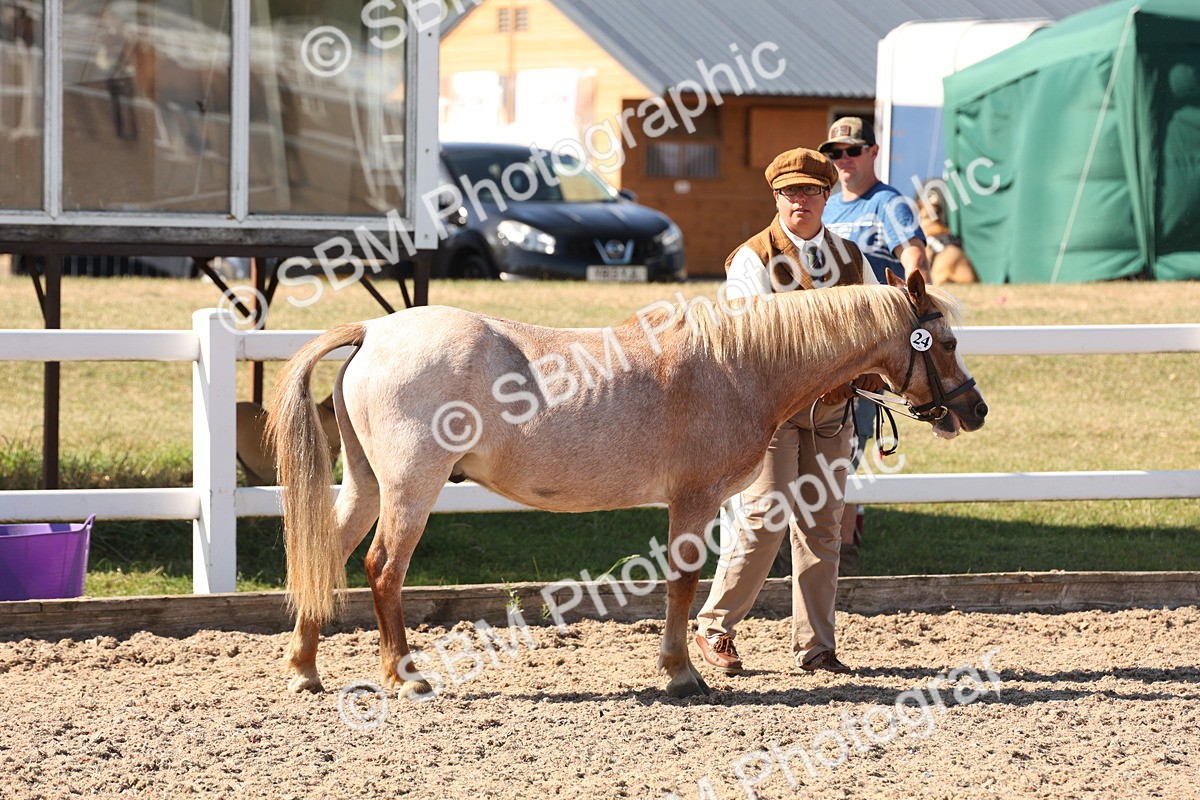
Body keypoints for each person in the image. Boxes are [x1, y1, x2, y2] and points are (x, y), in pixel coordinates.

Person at [694, 147, 884, 677]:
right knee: (765, 516)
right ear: (776, 197)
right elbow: (751, 332)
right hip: (773, 414)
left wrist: (869, 366)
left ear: (827, 196)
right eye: (790, 192)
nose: (800, 200)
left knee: (824, 526)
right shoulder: (754, 257)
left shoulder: (851, 258)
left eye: (810, 191)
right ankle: (716, 625)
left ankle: (817, 645)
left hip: (832, 410)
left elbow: (875, 321)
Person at [821, 117, 932, 575]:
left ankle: (841, 552)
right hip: (825, 346)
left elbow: (913, 250)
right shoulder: (825, 207)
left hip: (866, 345)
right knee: (822, 442)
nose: (843, 161)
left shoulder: (887, 202)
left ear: (872, 152)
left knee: (846, 444)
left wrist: (913, 294)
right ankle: (817, 547)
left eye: (852, 151)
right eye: (834, 153)